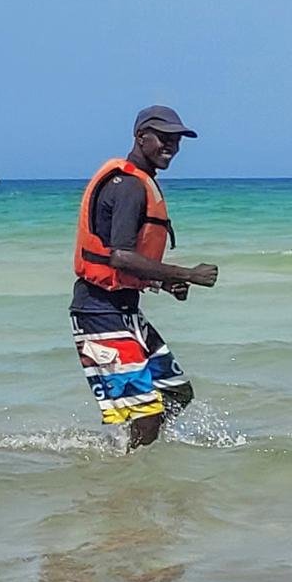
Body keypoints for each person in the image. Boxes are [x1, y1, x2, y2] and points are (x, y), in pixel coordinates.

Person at [71, 105, 219, 449]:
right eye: (164, 139)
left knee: (177, 392)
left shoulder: (139, 182)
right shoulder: (128, 186)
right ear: (141, 137)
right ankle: (130, 476)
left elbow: (125, 260)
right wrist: (188, 274)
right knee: (147, 413)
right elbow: (121, 257)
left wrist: (163, 282)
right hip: (98, 312)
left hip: (122, 310)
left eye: (176, 141)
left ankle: (129, 450)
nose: (172, 147)